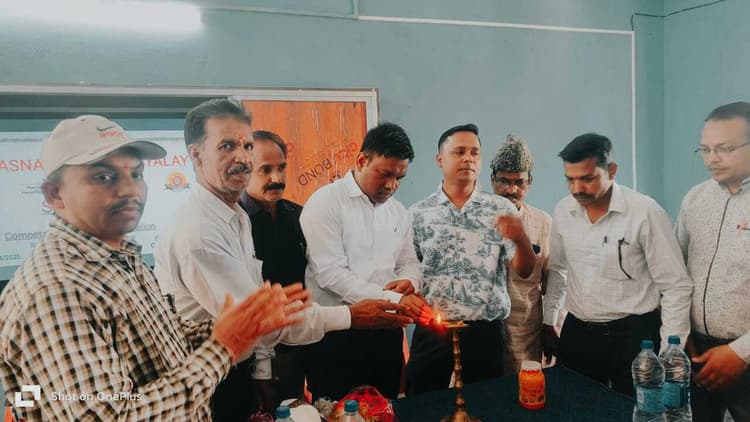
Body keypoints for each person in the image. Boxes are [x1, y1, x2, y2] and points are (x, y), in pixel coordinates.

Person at [0, 115, 302, 421]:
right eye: (103, 177)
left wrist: (235, 326)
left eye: (136, 174)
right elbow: (114, 416)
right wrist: (223, 347)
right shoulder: (55, 290)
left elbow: (161, 343)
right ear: (55, 194)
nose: (129, 190)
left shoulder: (122, 257)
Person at [154, 100, 411, 420]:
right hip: (212, 380)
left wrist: (262, 368)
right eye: (227, 146)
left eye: (247, 146)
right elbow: (258, 321)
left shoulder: (235, 218)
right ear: (196, 154)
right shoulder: (201, 232)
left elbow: (263, 305)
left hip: (259, 361)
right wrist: (352, 315)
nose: (242, 157)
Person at [542, 133, 692, 396]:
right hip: (578, 332)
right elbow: (558, 269)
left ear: (611, 171)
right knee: (571, 407)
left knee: (635, 409)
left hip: (634, 336)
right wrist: (549, 319)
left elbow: (676, 286)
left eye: (587, 178)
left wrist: (670, 353)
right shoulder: (563, 210)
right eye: (570, 179)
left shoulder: (646, 213)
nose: (577, 189)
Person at [300, 122, 431, 400]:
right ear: (362, 160)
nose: (391, 186)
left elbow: (409, 262)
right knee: (336, 412)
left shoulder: (398, 212)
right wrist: (396, 299)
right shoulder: (325, 203)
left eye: (399, 177)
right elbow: (331, 275)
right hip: (339, 332)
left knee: (386, 407)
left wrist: (408, 280)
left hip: (386, 332)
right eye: (385, 174)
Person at [406, 124, 536, 394]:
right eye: (459, 152)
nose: (468, 158)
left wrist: (521, 239)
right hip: (434, 327)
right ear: (439, 160)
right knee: (422, 403)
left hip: (484, 330)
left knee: (486, 403)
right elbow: (409, 268)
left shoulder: (501, 208)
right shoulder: (418, 213)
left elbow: (524, 271)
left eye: (474, 153)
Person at [675, 101, 750, 421]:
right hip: (697, 353)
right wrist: (681, 333)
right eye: (705, 150)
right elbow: (675, 275)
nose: (712, 158)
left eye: (725, 148)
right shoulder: (695, 199)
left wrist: (741, 352)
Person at [238, 130, 308, 405]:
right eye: (265, 169)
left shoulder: (299, 215)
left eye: (281, 168)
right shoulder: (236, 221)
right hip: (253, 352)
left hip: (299, 340)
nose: (276, 178)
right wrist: (261, 366)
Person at [490, 134, 552, 372]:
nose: (511, 190)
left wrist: (551, 324)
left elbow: (554, 282)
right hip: (482, 336)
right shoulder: (474, 219)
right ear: (492, 179)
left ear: (530, 182)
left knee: (526, 390)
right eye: (504, 181)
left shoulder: (543, 223)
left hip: (526, 333)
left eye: (519, 182)